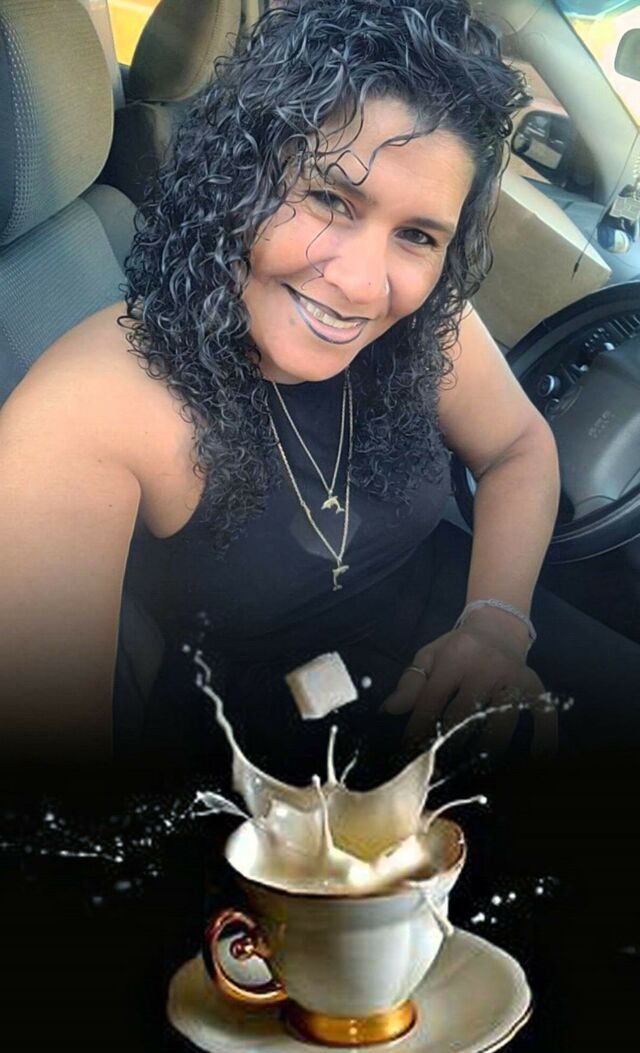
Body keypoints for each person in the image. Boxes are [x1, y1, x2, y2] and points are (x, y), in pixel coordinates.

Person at [1, 0, 639, 787]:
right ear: (238, 180)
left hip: (462, 624)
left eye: (417, 236)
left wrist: (496, 624)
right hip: (267, 741)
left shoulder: (422, 320)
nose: (364, 285)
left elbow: (518, 447)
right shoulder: (89, 409)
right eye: (330, 199)